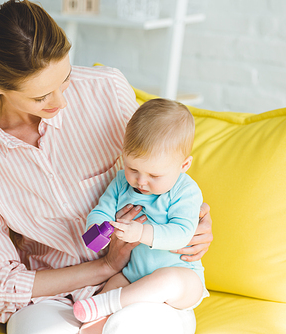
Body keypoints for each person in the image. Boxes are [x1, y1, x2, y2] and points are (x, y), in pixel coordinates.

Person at [0, 1, 213, 333]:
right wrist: (104, 266)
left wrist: (196, 223)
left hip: (140, 280)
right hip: (53, 292)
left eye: (65, 79)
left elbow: (161, 163)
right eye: (42, 97)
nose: (62, 102)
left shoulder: (106, 90)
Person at [73, 99, 209, 329]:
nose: (141, 182)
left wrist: (141, 233)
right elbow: (101, 209)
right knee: (112, 288)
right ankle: (92, 326)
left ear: (184, 165)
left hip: (183, 279)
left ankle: (106, 304)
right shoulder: (120, 183)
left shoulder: (186, 191)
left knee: (168, 280)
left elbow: (182, 234)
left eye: (154, 176)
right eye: (133, 169)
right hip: (133, 275)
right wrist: (97, 229)